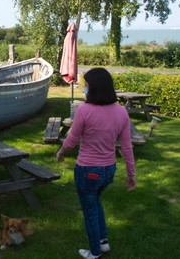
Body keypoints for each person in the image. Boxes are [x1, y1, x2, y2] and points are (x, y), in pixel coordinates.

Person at [56, 68, 137, 259]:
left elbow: (71, 140)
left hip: (88, 171)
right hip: (109, 171)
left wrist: (60, 152)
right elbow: (127, 147)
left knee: (89, 210)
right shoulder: (121, 112)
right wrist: (131, 174)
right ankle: (103, 241)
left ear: (94, 88)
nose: (84, 88)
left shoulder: (84, 110)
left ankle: (94, 252)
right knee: (95, 202)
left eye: (86, 85)